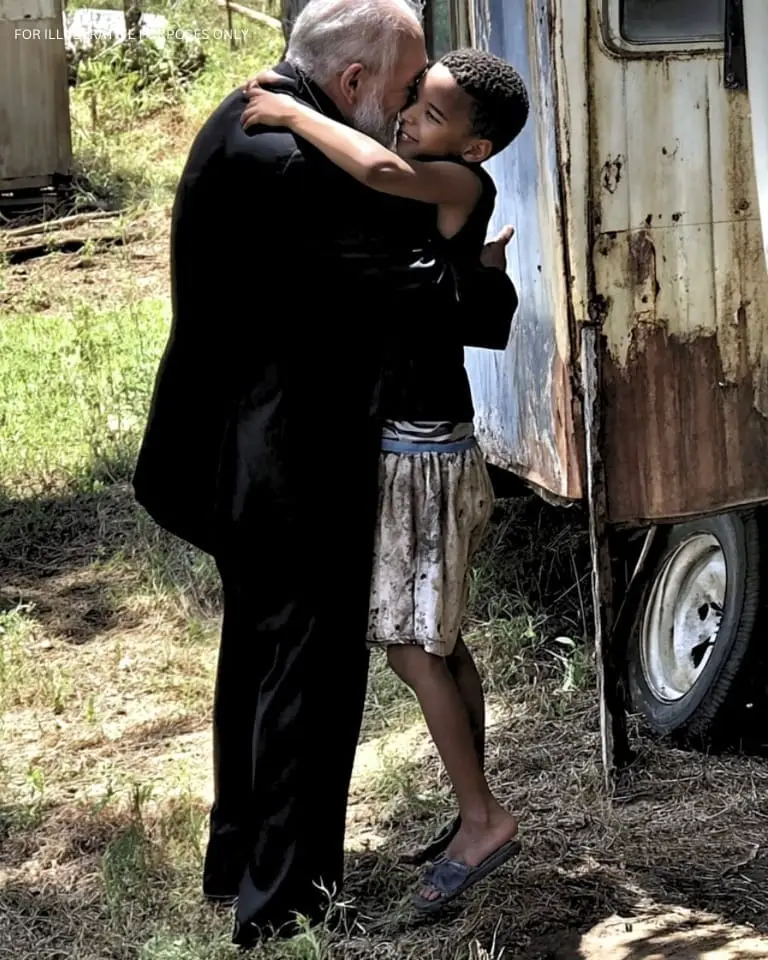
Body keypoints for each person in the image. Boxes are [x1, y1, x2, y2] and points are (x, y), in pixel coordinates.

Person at [132, 0, 520, 945]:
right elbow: (428, 296)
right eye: (404, 92)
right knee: (306, 676)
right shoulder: (299, 159)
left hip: (241, 448)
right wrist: (485, 278)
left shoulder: (252, 114)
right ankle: (285, 905)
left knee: (261, 661)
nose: (404, 114)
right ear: (352, 82)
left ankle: (243, 864)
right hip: (286, 462)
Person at [242, 48, 529, 913]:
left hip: (421, 451)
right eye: (413, 100)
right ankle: (472, 804)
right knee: (441, 643)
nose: (407, 120)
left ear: (474, 149)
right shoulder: (449, 189)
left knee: (410, 647)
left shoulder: (456, 183)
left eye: (430, 113)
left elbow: (375, 168)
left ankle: (483, 819)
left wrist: (293, 114)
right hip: (430, 441)